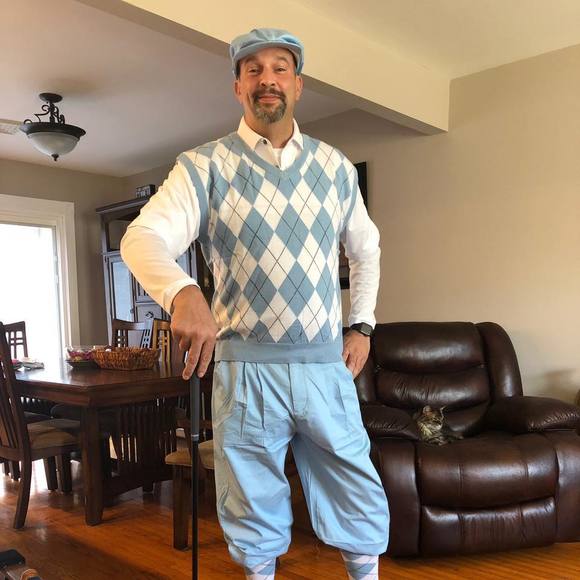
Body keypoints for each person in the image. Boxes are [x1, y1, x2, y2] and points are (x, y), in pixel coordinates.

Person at [121, 27, 389, 580]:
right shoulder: (203, 166)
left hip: (324, 368)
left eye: (280, 68)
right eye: (253, 69)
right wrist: (184, 292)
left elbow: (366, 250)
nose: (268, 79)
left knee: (355, 491)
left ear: (298, 84)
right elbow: (140, 239)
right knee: (250, 506)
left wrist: (362, 326)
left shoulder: (336, 167)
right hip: (245, 372)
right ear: (238, 86)